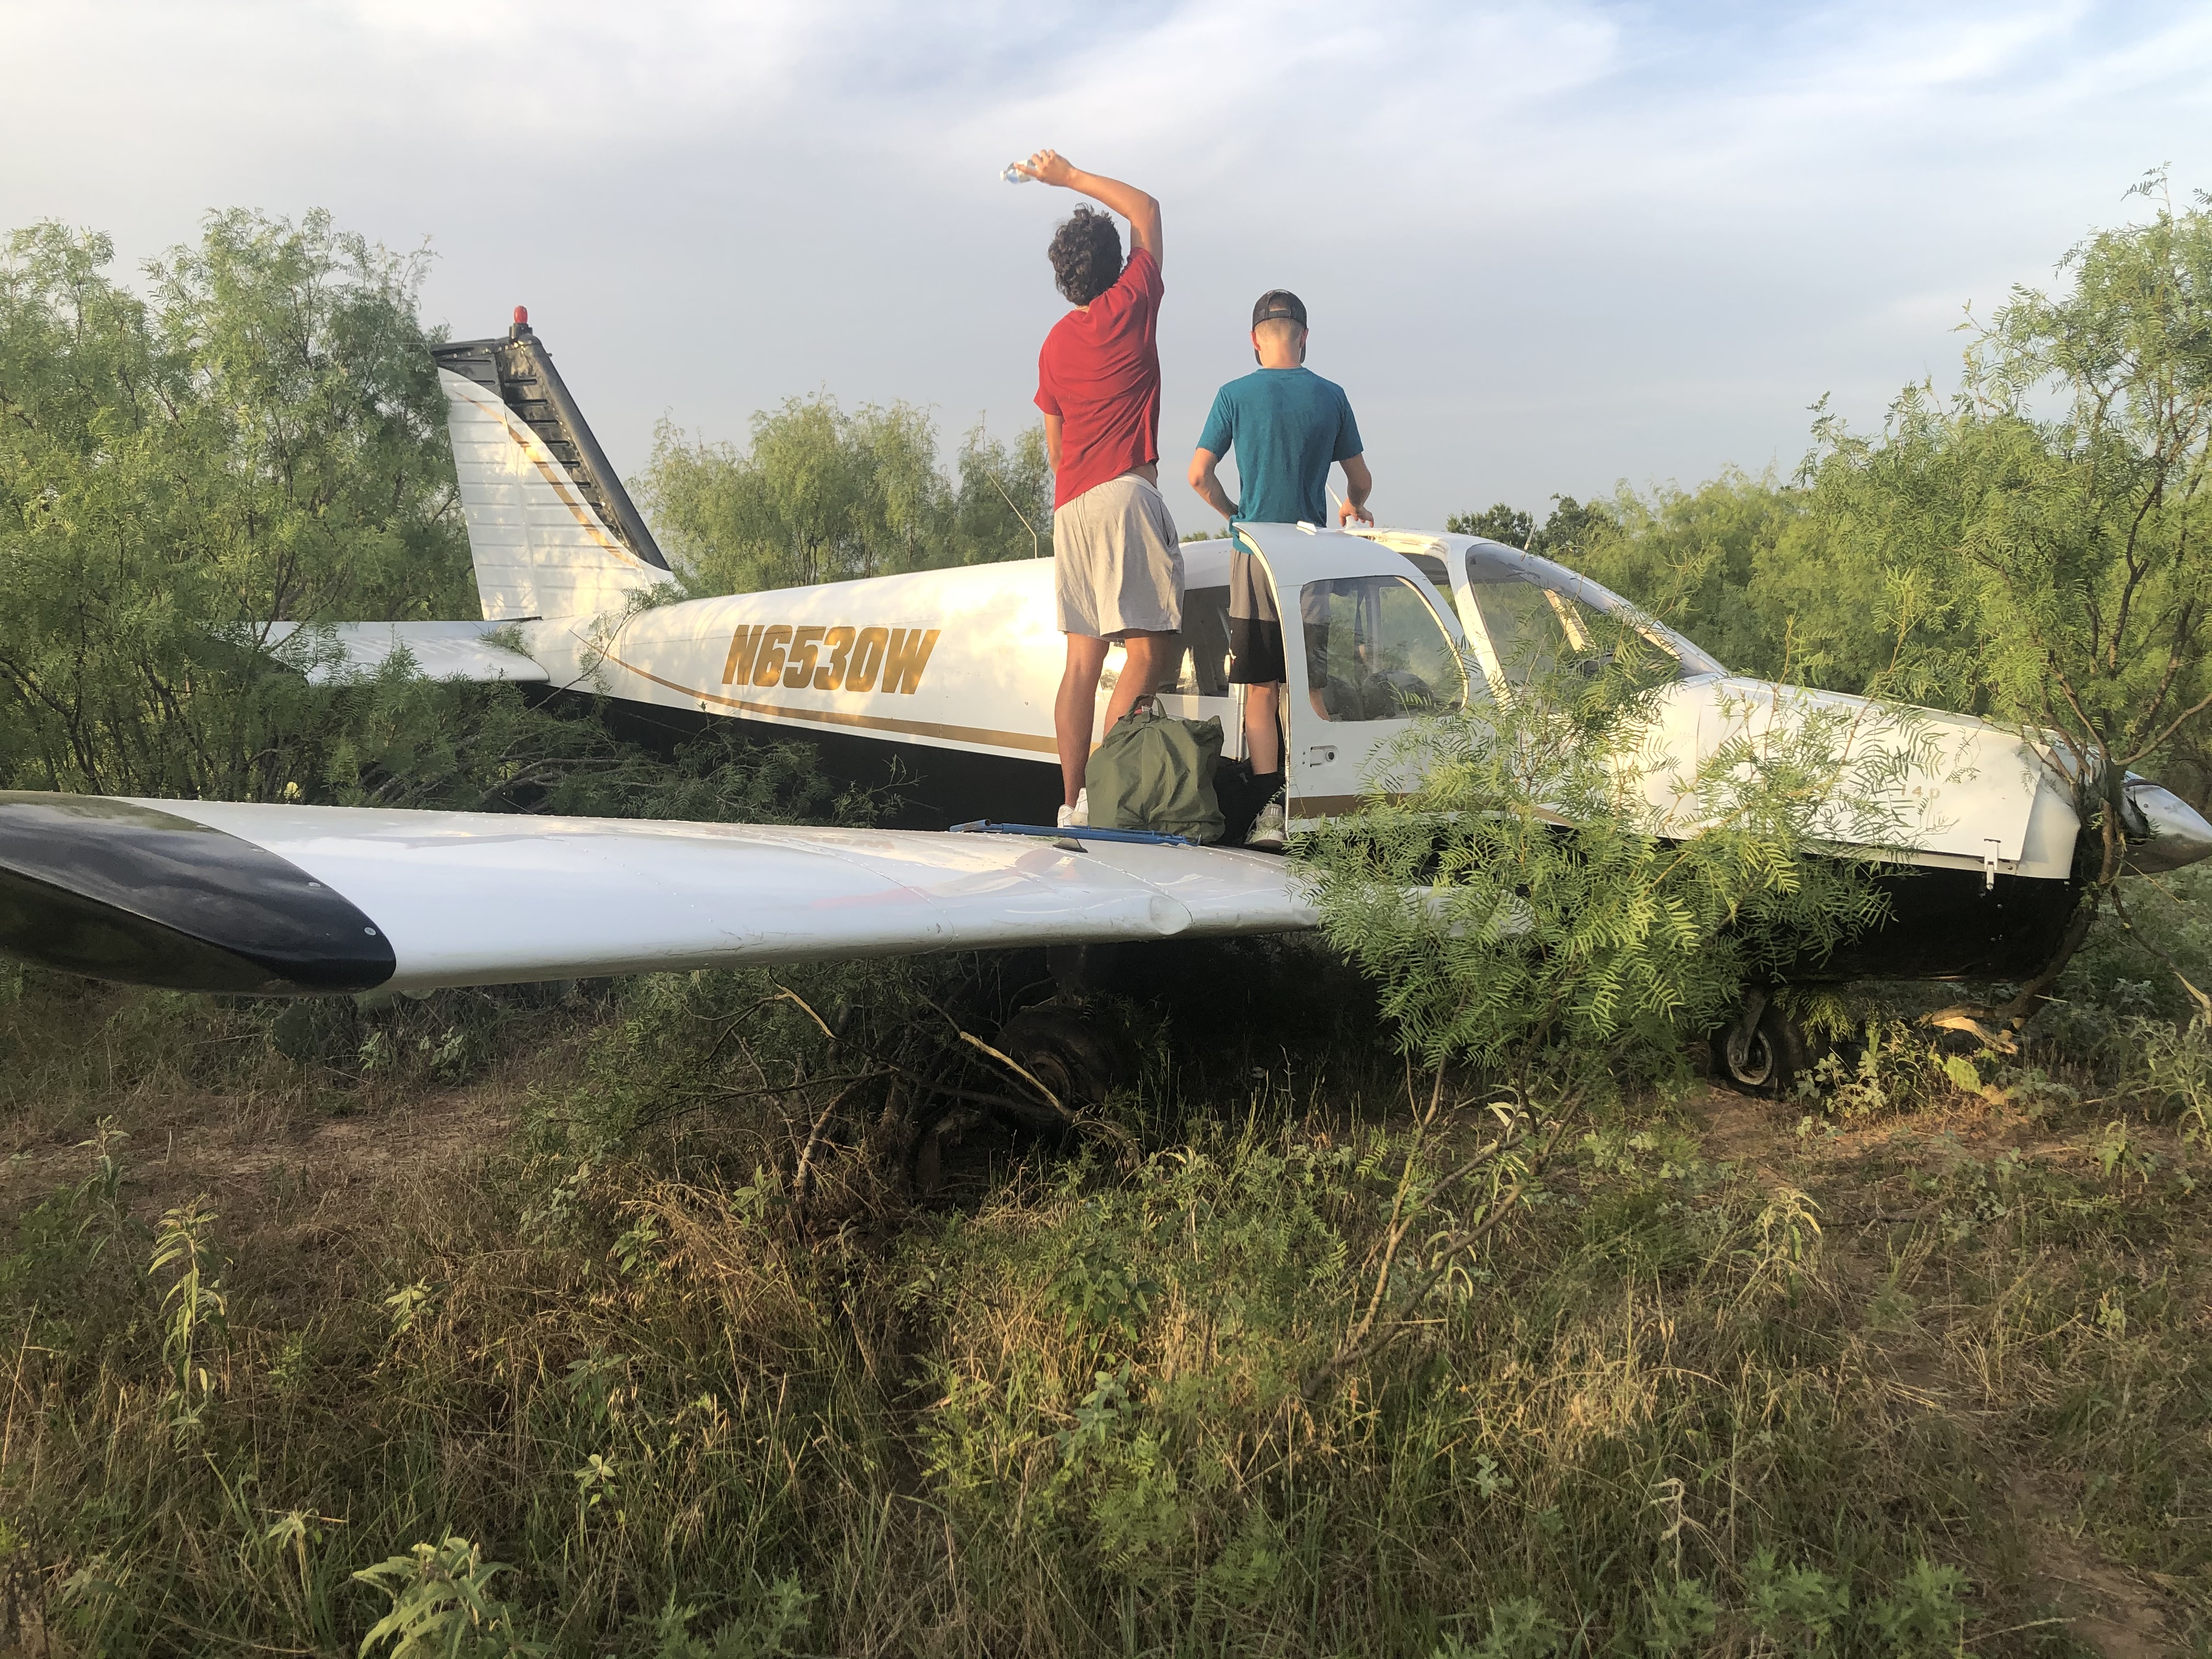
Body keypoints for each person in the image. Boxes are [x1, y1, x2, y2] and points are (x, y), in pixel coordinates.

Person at [1015, 148, 1184, 829]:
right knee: (1150, 651)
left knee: (1081, 664)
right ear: (1118, 265)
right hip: (1124, 493)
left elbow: (1056, 450)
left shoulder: (1054, 345)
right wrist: (1068, 177)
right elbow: (1147, 209)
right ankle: (1103, 796)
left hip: (1072, 507)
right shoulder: (1132, 302)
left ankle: (1069, 804)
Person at [1187, 290, 1373, 849]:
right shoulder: (1332, 397)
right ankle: (1318, 802)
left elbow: (1198, 475)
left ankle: (1271, 814)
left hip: (1255, 555)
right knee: (1311, 687)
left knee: (1262, 691)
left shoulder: (1233, 395)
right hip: (1308, 559)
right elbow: (1360, 480)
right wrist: (1352, 505)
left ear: (1255, 341)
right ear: (1304, 337)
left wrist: (1235, 515)